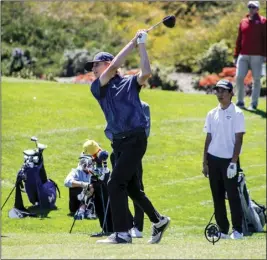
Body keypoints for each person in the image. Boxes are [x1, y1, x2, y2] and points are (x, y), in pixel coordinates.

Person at [85, 29, 170, 244]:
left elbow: (146, 73)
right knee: (131, 187)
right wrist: (133, 41)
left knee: (115, 183)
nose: (93, 69)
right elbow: (115, 66)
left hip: (135, 139)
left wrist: (141, 45)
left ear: (105, 63)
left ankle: (122, 233)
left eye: (96, 65)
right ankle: (158, 221)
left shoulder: (129, 83)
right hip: (119, 143)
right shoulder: (98, 87)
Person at [202, 79, 245, 240]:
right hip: (213, 160)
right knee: (217, 196)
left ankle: (238, 230)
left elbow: (239, 139)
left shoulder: (237, 113)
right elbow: (208, 138)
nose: (219, 94)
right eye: (217, 91)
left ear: (231, 93)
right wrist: (204, 162)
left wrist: (234, 162)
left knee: (233, 196)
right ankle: (223, 229)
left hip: (229, 161)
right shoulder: (212, 113)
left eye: (223, 91)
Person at [107, 100, 151, 239]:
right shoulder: (114, 103)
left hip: (132, 151)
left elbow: (146, 130)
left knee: (136, 188)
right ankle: (126, 225)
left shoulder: (143, 106)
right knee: (118, 188)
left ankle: (138, 227)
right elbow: (109, 127)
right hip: (117, 150)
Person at [64, 144, 113, 236]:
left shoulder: (97, 170)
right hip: (80, 199)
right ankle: (82, 210)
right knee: (79, 186)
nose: (85, 164)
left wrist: (91, 186)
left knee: (97, 193)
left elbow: (102, 179)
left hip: (93, 199)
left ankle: (108, 229)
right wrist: (84, 184)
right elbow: (67, 182)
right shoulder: (77, 171)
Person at [234, 0, 266, 111]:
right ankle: (240, 101)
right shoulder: (243, 21)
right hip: (243, 55)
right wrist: (235, 54)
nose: (251, 9)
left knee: (256, 80)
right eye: (250, 7)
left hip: (258, 56)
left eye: (254, 7)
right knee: (239, 77)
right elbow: (239, 39)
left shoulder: (263, 21)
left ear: (258, 9)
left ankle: (253, 104)